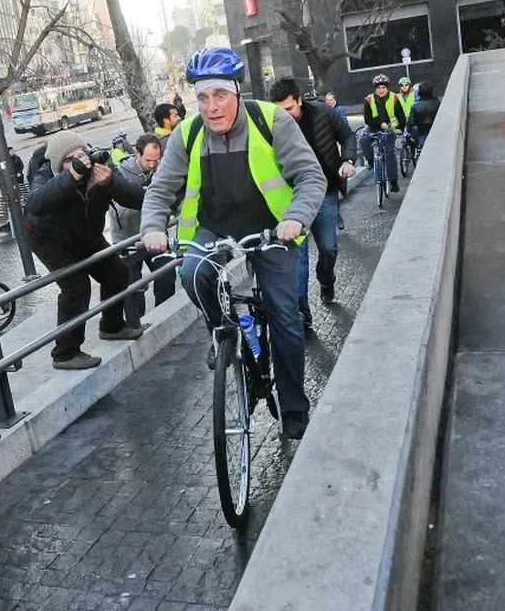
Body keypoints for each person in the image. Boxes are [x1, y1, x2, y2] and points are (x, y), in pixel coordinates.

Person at [140, 48, 325, 440]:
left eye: (220, 95)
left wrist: (295, 218)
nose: (211, 107)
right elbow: (160, 190)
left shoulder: (271, 120)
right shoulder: (187, 134)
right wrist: (152, 228)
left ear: (237, 93)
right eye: (203, 97)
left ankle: (294, 406)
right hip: (215, 226)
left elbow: (311, 176)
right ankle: (221, 331)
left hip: (273, 229)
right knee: (192, 274)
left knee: (286, 317)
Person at [24, 130, 147, 370]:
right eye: (70, 160)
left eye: (81, 155)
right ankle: (65, 353)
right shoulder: (45, 174)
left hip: (86, 232)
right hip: (48, 238)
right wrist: (71, 177)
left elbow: (136, 198)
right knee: (76, 286)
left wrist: (110, 183)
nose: (80, 162)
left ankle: (112, 327)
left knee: (117, 272)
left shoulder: (99, 166)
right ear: (58, 163)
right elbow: (36, 204)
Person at [269, 78, 357, 321]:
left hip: (325, 194)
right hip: (292, 199)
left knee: (328, 248)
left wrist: (348, 161)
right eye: (279, 111)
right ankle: (302, 313)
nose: (285, 116)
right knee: (298, 259)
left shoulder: (323, 113)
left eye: (289, 108)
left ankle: (326, 281)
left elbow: (347, 136)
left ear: (299, 100)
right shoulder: (271, 123)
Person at [109, 134, 176, 314]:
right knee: (133, 289)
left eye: (156, 160)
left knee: (167, 276)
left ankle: (161, 315)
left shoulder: (161, 169)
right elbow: (117, 209)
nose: (152, 164)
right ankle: (139, 321)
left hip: (155, 234)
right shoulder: (120, 173)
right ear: (137, 153)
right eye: (148, 160)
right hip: (128, 239)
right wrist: (145, 197)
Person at [360, 74, 406, 193]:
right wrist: (380, 124)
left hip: (390, 128)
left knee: (389, 153)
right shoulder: (369, 99)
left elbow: (401, 117)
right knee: (363, 140)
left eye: (383, 87)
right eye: (378, 88)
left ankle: (393, 181)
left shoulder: (394, 98)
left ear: (387, 88)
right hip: (374, 127)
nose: (381, 90)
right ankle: (371, 161)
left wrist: (399, 128)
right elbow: (367, 119)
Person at [407, 81, 441, 150]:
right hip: (436, 133)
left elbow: (411, 123)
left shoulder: (416, 107)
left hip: (421, 134)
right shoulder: (438, 103)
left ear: (419, 93)